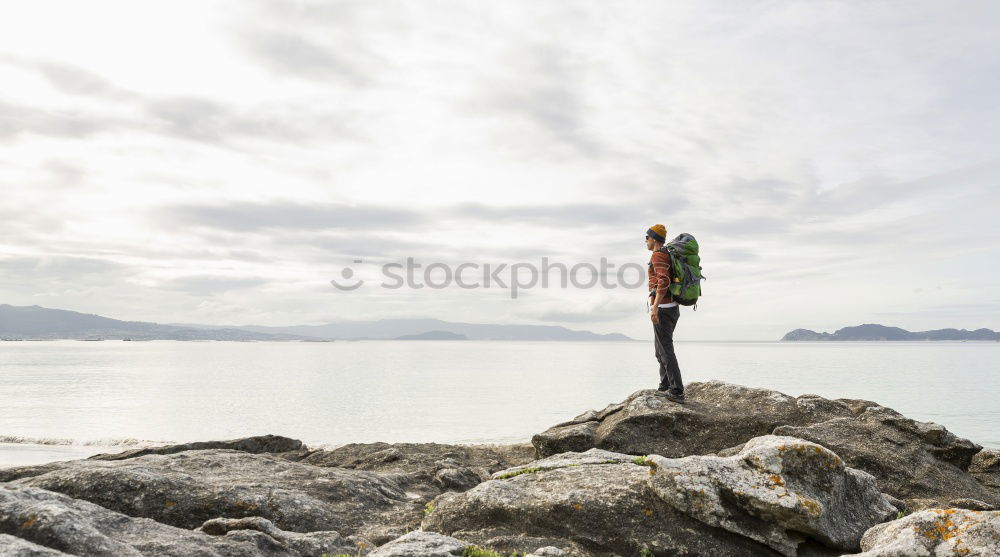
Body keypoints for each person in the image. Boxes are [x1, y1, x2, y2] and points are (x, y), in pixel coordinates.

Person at [646, 224, 685, 403]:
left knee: (666, 350)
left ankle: (677, 391)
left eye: (647, 237)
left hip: (663, 308)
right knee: (659, 351)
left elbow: (664, 281)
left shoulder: (658, 255)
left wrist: (655, 307)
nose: (645, 241)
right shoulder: (666, 254)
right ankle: (665, 385)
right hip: (671, 307)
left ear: (654, 238)